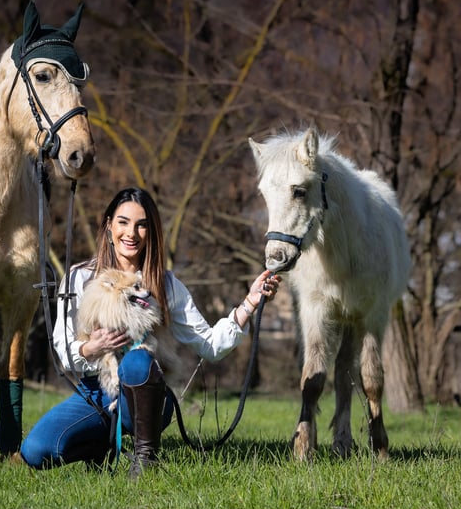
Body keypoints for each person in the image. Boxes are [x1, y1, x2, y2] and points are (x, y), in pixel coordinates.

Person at [19, 187, 280, 477]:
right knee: (36, 451)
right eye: (123, 222)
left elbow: (210, 344)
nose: (131, 233)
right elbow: (64, 348)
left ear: (151, 232)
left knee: (138, 360)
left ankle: (146, 459)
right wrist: (91, 348)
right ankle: (101, 444)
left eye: (142, 225)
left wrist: (249, 303)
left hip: (147, 393)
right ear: (109, 225)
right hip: (95, 389)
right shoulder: (79, 277)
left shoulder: (164, 284)